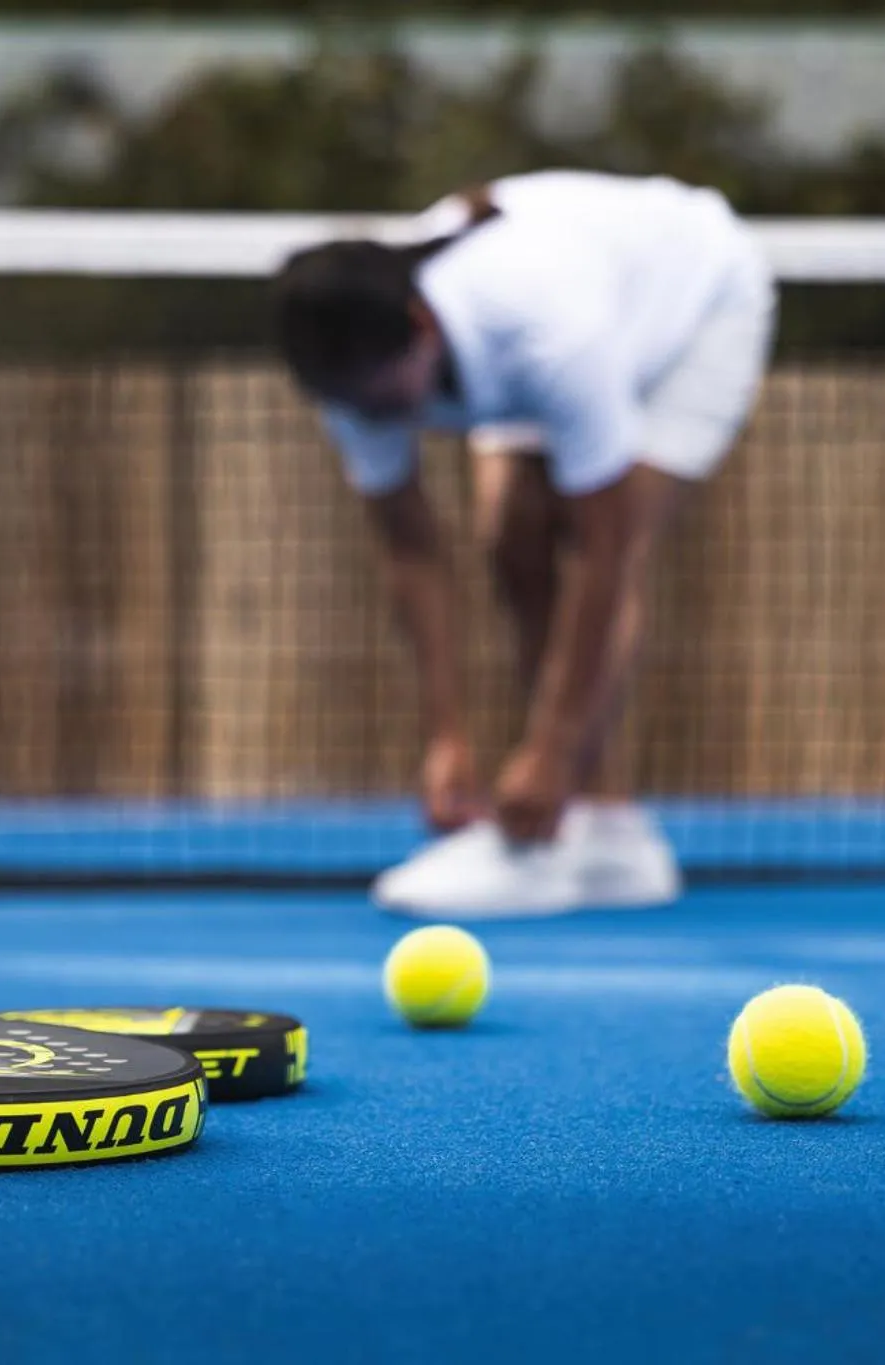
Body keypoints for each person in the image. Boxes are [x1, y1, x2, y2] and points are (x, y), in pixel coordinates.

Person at [271, 170, 777, 917]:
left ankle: (570, 822)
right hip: (584, 298)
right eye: (356, 403)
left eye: (387, 394)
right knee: (511, 538)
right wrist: (447, 737)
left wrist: (550, 752)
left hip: (697, 304)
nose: (375, 417)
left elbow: (606, 555)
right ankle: (603, 827)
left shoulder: (548, 332)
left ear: (422, 328)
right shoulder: (349, 373)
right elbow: (410, 553)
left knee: (597, 541)